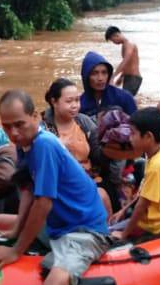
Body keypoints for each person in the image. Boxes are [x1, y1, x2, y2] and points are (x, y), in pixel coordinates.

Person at [0, 90, 111, 285]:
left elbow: (44, 204)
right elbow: (28, 189)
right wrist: (18, 229)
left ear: (34, 117)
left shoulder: (44, 145)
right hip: (59, 224)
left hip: (83, 230)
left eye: (19, 124)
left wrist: (16, 250)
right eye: (7, 126)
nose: (14, 133)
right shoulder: (24, 144)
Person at [109, 108, 160, 241]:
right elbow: (143, 192)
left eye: (133, 133)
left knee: (108, 235)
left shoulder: (158, 165)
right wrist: (123, 210)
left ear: (148, 136)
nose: (129, 138)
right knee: (111, 227)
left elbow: (142, 205)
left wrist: (124, 234)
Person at [42, 78, 112, 215]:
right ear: (54, 102)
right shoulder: (43, 128)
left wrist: (113, 147)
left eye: (77, 100)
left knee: (104, 195)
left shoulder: (83, 122)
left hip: (89, 177)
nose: (75, 105)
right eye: (69, 101)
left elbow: (98, 153)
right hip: (61, 183)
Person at [79, 51, 137, 118]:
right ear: (86, 76)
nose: (100, 78)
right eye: (94, 73)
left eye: (104, 73)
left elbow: (136, 124)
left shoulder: (124, 98)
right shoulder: (80, 103)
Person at [106, 26, 143, 96]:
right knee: (126, 100)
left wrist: (113, 77)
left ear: (116, 35)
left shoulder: (129, 44)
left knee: (125, 101)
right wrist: (121, 76)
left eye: (112, 40)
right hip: (129, 77)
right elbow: (127, 64)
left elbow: (125, 61)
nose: (113, 42)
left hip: (133, 78)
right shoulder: (124, 45)